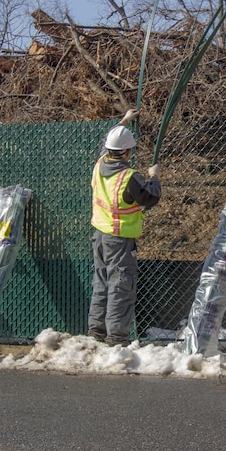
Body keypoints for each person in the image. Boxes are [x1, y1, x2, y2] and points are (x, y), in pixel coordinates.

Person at [88, 109, 162, 346]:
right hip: (119, 240)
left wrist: (124, 121)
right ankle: (116, 340)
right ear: (128, 152)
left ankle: (96, 334)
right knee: (121, 287)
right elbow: (150, 198)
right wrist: (155, 177)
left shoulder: (100, 164)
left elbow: (104, 144)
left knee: (101, 284)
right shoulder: (129, 177)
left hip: (99, 236)